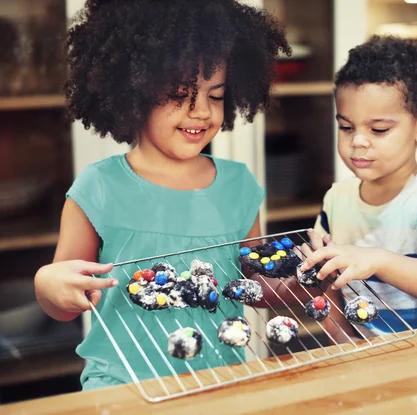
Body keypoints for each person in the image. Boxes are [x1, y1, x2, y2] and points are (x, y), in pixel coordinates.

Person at [34, 0, 293, 391]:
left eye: (216, 95)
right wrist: (47, 285)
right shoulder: (99, 186)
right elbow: (64, 301)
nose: (201, 112)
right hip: (122, 388)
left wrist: (303, 279)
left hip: (219, 382)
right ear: (132, 91)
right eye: (179, 93)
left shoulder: (239, 186)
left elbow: (254, 287)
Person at [300, 35, 417, 342]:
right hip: (370, 350)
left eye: (378, 129)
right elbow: (329, 285)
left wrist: (377, 259)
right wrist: (346, 347)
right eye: (346, 127)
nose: (358, 141)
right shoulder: (336, 200)